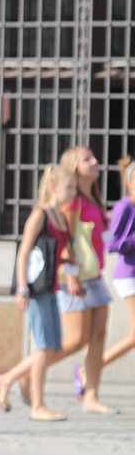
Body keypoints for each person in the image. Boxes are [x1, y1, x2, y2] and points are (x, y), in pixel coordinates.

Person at [0, 166, 76, 421]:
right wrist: (21, 288)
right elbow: (24, 252)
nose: (73, 192)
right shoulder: (40, 215)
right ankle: (38, 405)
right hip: (36, 289)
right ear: (53, 187)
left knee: (51, 347)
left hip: (51, 286)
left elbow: (61, 251)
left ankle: (5, 379)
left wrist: (70, 271)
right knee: (43, 347)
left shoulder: (60, 216)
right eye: (69, 187)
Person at [56, 146, 117, 414]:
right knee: (75, 341)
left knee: (98, 337)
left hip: (95, 276)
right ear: (74, 167)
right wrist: (70, 275)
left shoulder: (93, 199)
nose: (95, 162)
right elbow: (63, 238)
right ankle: (27, 371)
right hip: (77, 278)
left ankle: (91, 395)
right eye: (87, 159)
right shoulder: (72, 201)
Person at [98, 154, 135, 376]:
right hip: (129, 275)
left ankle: (90, 369)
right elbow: (111, 243)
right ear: (130, 182)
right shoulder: (124, 206)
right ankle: (89, 369)